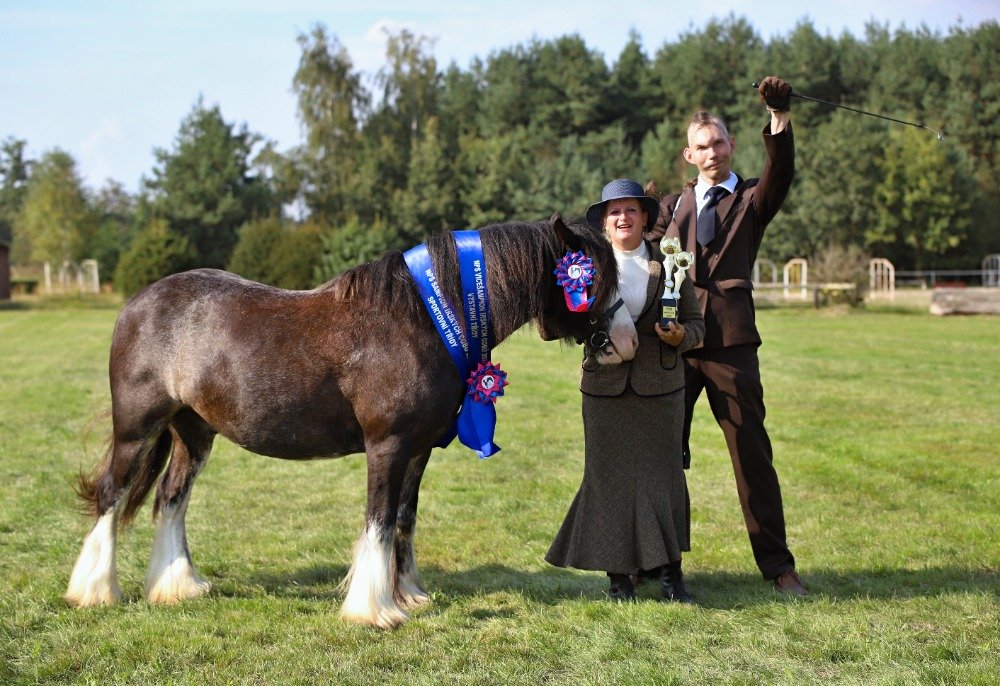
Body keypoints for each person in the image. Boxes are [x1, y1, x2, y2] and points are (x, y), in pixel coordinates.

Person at [646, 75, 807, 596]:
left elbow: (780, 171)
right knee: (665, 456)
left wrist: (779, 120)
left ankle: (780, 568)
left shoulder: (754, 200)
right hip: (675, 344)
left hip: (733, 345)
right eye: (701, 146)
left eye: (718, 142)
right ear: (688, 155)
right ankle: (661, 566)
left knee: (752, 455)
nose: (711, 152)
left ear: (731, 145)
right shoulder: (670, 209)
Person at [546, 178, 705, 602]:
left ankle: (672, 578)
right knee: (608, 482)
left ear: (645, 217)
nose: (623, 218)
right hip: (603, 389)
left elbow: (697, 325)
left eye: (631, 210)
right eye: (614, 211)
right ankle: (618, 582)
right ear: (603, 221)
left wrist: (679, 338)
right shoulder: (584, 267)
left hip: (662, 387)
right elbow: (557, 327)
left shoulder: (669, 264)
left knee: (663, 480)